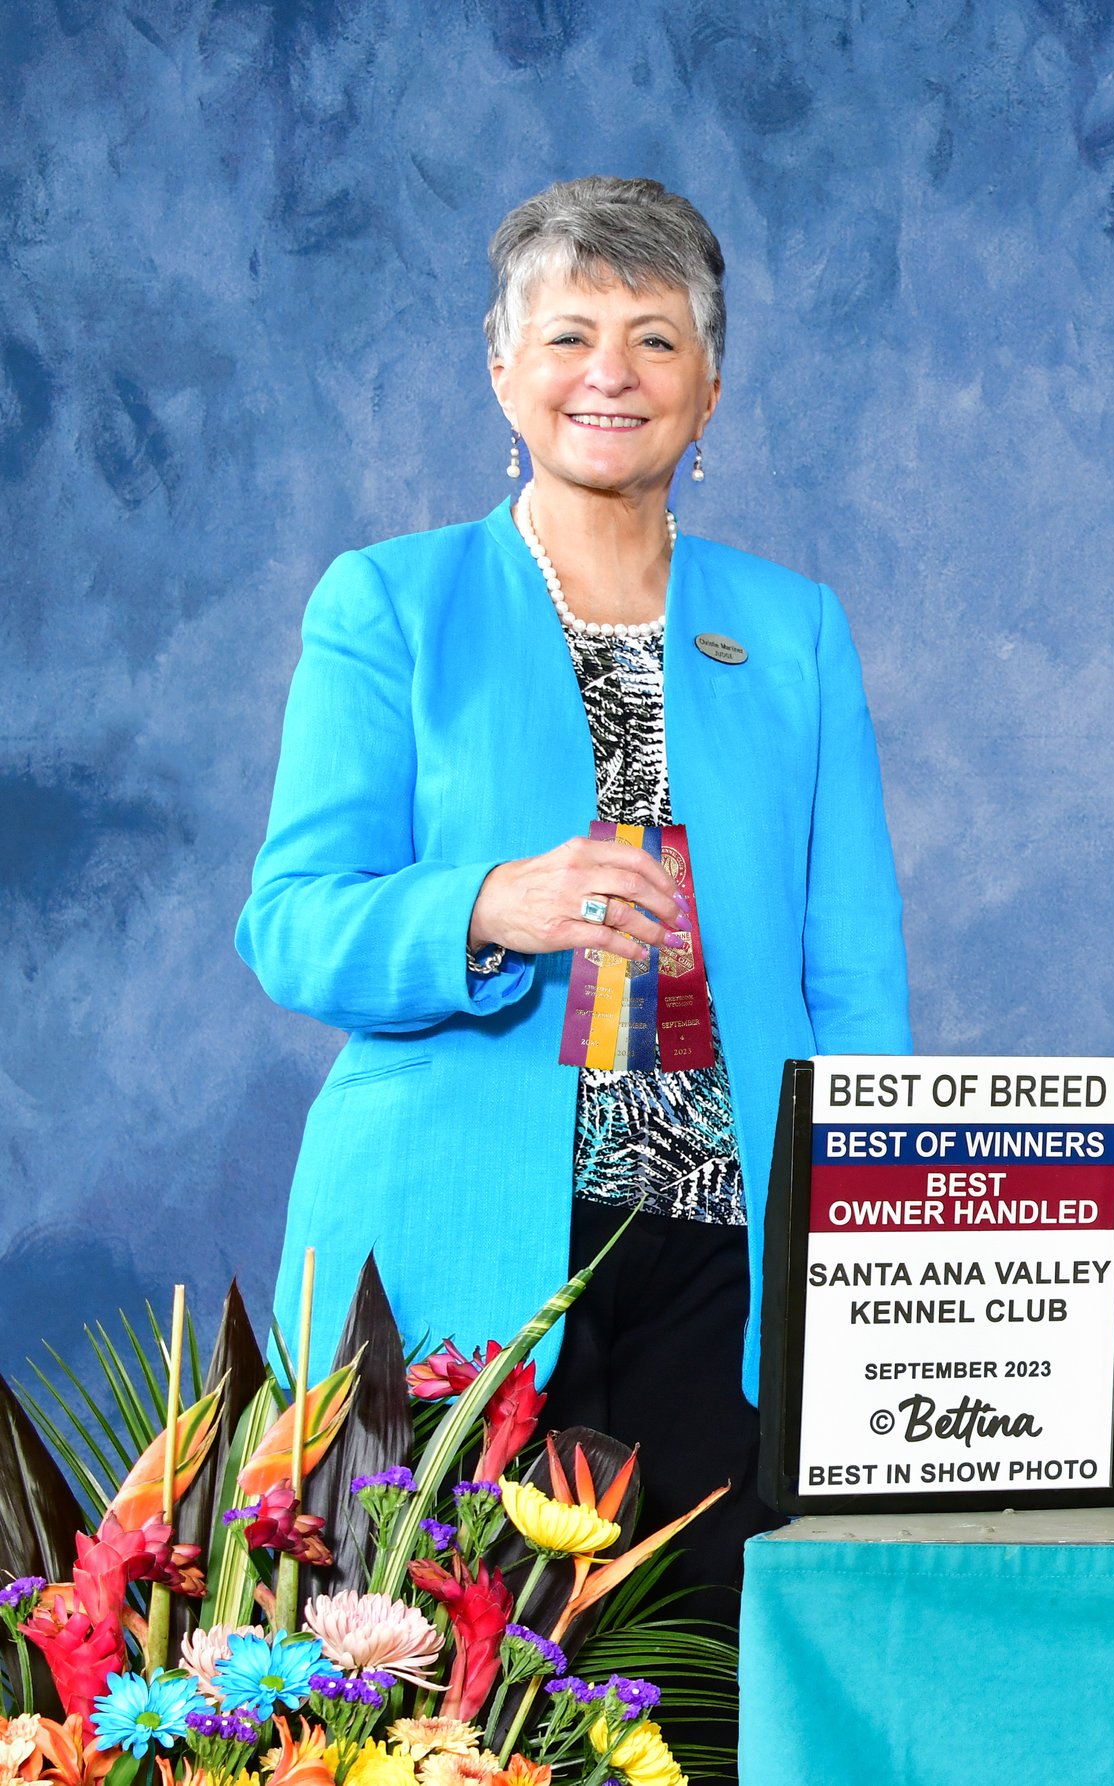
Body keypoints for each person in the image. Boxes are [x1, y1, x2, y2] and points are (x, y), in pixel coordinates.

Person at [235, 177, 910, 1620]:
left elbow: (852, 970)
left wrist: (865, 1242)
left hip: (728, 1246)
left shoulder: (793, 627)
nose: (613, 372)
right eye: (569, 334)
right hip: (449, 1246)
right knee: (434, 1708)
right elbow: (291, 919)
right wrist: (487, 901)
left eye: (657, 339)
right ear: (502, 370)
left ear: (711, 389)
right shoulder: (388, 604)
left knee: (711, 1696)